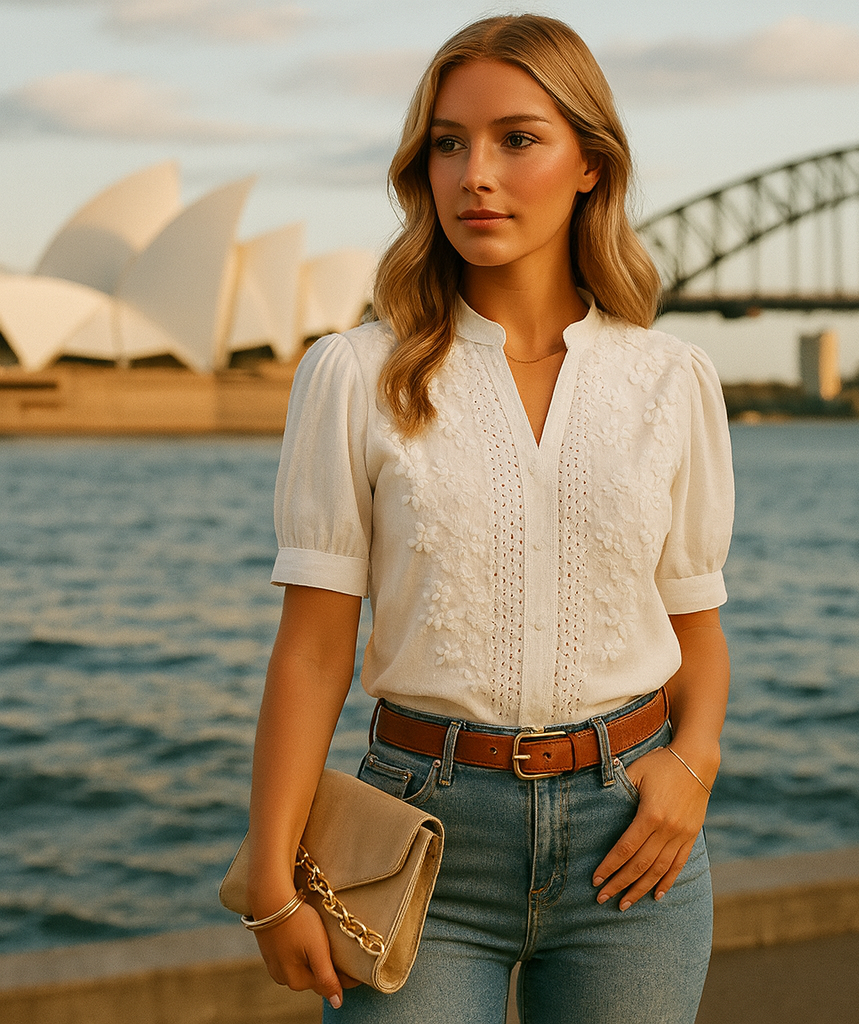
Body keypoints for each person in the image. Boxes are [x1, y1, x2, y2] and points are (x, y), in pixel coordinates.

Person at [244, 13, 734, 1023]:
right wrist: (269, 874)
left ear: (589, 163)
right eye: (448, 142)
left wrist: (691, 768)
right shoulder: (353, 375)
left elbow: (697, 632)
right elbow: (311, 650)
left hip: (627, 844)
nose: (476, 173)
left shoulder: (671, 380)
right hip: (416, 832)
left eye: (517, 139)